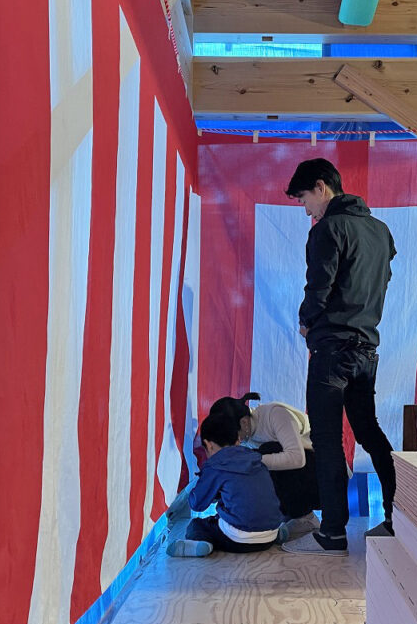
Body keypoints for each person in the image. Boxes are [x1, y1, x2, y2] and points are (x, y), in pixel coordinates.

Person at [282, 157, 397, 556]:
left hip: (332, 350)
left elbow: (319, 287)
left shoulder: (328, 228)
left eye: (304, 199)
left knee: (327, 439)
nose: (306, 210)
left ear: (321, 187)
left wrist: (305, 321)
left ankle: (332, 531)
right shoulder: (380, 231)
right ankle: (396, 515)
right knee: (370, 432)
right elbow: (379, 283)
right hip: (367, 349)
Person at [166, 411, 285, 557]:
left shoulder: (216, 465)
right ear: (238, 440)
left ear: (208, 445)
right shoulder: (255, 458)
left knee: (197, 525)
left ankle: (202, 544)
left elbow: (197, 504)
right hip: (270, 533)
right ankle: (277, 534)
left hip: (238, 539)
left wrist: (196, 489)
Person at [208, 392, 320, 533]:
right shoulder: (245, 436)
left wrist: (252, 460)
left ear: (244, 422)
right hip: (298, 479)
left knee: (266, 451)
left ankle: (305, 518)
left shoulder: (275, 415)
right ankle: (282, 517)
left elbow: (297, 458)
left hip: (322, 478)